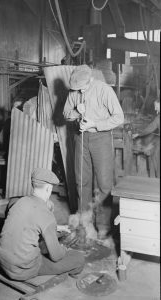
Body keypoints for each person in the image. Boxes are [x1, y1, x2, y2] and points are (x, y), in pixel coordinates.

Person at [63, 65, 124, 240]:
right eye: (76, 88)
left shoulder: (104, 90)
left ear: (90, 80)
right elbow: (66, 113)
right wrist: (75, 112)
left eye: (82, 87)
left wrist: (95, 124)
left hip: (101, 139)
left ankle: (103, 226)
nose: (79, 91)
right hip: (80, 139)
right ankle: (84, 223)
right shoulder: (74, 90)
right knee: (82, 181)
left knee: (104, 184)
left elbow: (119, 117)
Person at [0, 168, 85, 281]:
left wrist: (57, 227)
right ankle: (71, 271)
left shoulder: (19, 201)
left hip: (1, 260)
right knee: (79, 258)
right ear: (48, 188)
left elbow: (28, 222)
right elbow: (56, 256)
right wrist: (64, 249)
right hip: (23, 270)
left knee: (42, 241)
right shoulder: (46, 215)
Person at [133, 98, 160, 178]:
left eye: (156, 106)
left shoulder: (158, 118)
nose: (155, 109)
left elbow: (150, 128)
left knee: (157, 162)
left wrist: (138, 134)